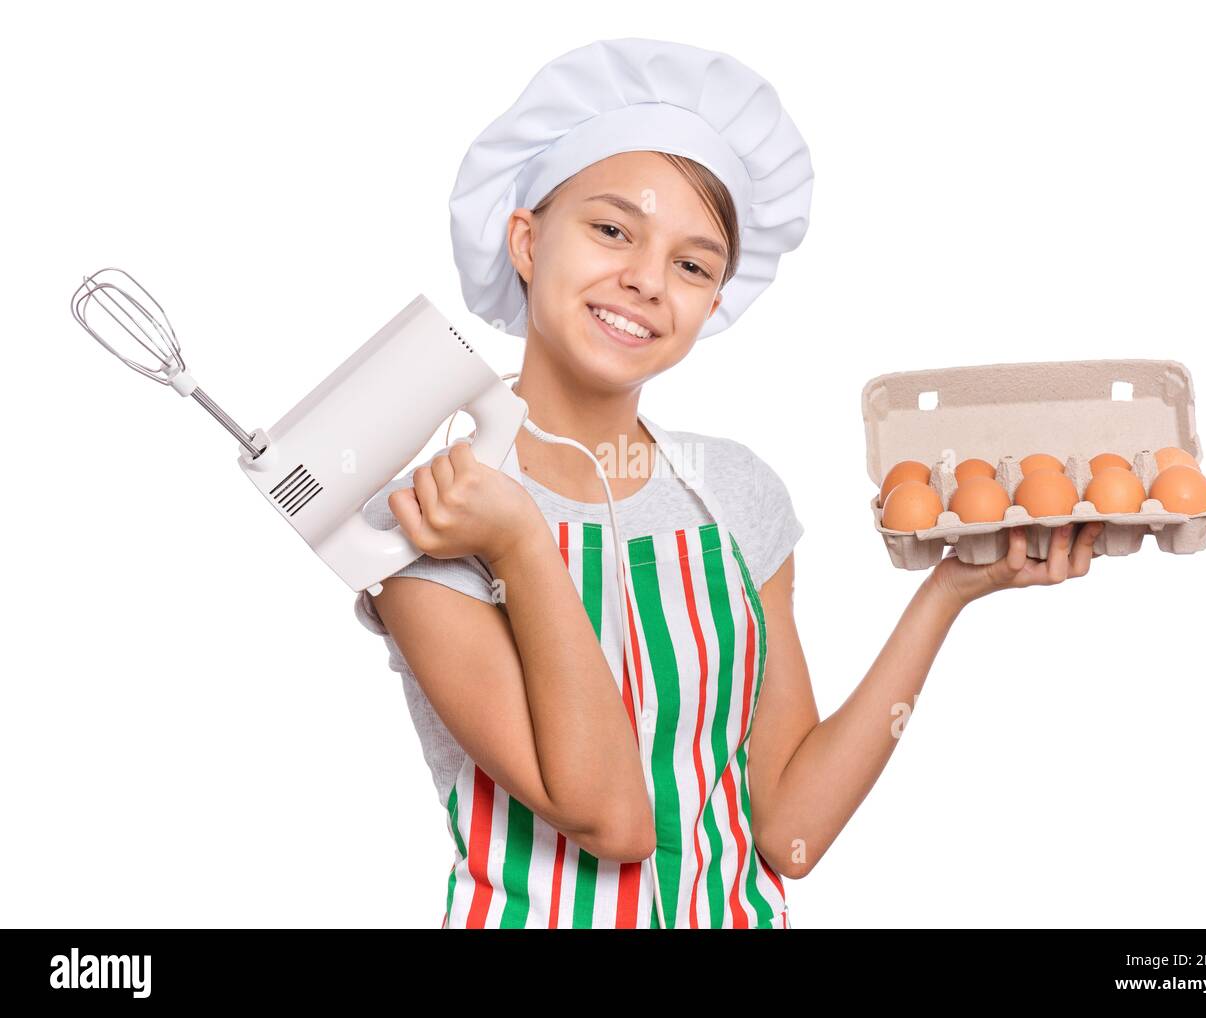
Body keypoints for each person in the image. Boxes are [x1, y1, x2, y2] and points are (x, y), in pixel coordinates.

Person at [353, 37, 1104, 929]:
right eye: (611, 229)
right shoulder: (423, 517)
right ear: (525, 239)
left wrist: (950, 591)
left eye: (692, 264)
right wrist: (517, 537)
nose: (644, 280)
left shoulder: (734, 492)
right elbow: (610, 818)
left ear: (714, 305)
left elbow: (787, 837)